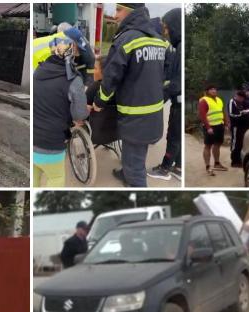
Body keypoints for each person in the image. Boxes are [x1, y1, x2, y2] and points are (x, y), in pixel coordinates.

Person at [93, 3, 169, 187]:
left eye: (119, 10)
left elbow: (110, 77)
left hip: (135, 115)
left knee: (136, 168)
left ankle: (135, 183)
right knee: (137, 152)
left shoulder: (126, 40)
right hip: (154, 113)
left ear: (131, 11)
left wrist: (99, 102)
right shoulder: (159, 41)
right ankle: (127, 172)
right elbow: (163, 77)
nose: (115, 15)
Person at [33, 36, 88, 187]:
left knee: (34, 181)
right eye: (76, 51)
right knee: (55, 179)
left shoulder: (38, 71)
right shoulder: (74, 80)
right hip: (52, 143)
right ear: (70, 52)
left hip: (33, 139)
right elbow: (80, 115)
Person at [147, 7, 182, 181]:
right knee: (178, 136)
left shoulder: (180, 48)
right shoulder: (178, 47)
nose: (166, 32)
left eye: (167, 28)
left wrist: (159, 98)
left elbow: (175, 83)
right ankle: (179, 167)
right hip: (179, 101)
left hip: (178, 102)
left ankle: (165, 169)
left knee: (173, 136)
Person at [198, 84, 229, 176]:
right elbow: (202, 115)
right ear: (207, 91)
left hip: (220, 125)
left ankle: (217, 163)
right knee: (208, 146)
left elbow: (222, 112)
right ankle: (208, 166)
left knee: (217, 145)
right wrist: (208, 127)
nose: (214, 91)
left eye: (215, 89)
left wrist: (226, 123)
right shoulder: (204, 100)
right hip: (210, 127)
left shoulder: (219, 100)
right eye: (211, 89)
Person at [228, 90, 248, 167]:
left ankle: (239, 160)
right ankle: (234, 161)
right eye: (241, 98)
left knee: (240, 143)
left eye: (243, 98)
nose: (242, 100)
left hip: (242, 126)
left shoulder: (241, 103)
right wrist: (241, 114)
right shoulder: (232, 102)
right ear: (237, 96)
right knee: (235, 143)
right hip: (235, 126)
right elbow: (231, 114)